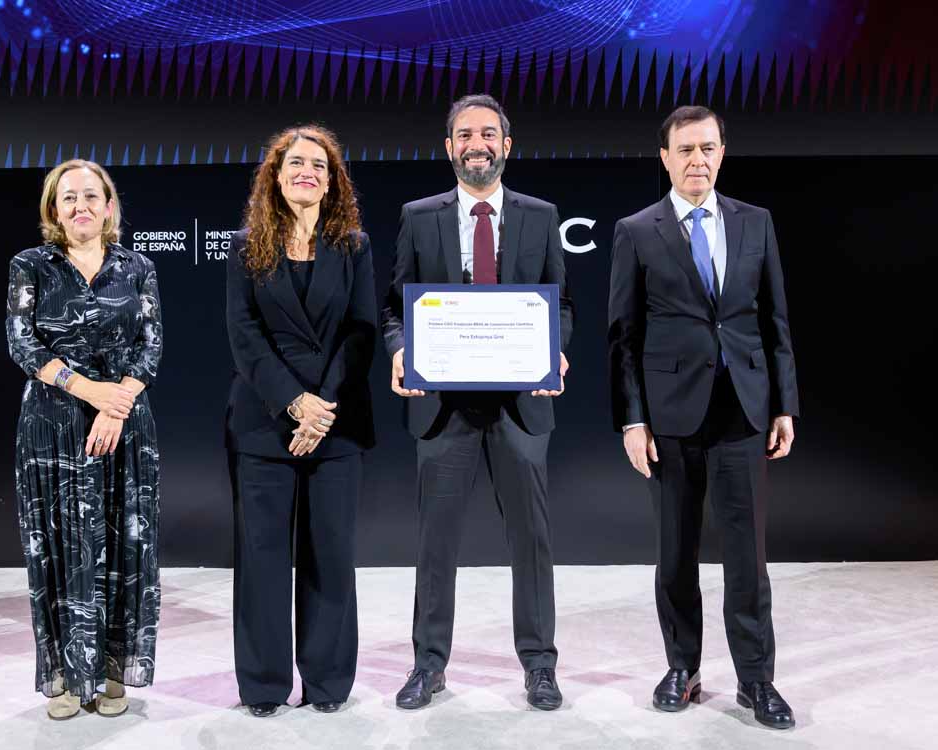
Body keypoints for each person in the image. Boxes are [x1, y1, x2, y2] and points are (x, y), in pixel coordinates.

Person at [607, 105, 800, 729]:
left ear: (722, 153)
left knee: (748, 556)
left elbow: (774, 323)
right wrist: (632, 421)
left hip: (743, 411)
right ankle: (682, 668)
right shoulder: (636, 229)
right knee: (676, 552)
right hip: (671, 417)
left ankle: (756, 681)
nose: (698, 161)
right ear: (665, 157)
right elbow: (623, 338)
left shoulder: (756, 222)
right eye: (685, 150)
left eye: (708, 149)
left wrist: (783, 404)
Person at [381, 94, 574, 711]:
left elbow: (559, 306)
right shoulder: (419, 215)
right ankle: (428, 666)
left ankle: (540, 666)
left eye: (488, 134)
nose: (477, 144)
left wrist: (555, 350)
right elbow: (394, 308)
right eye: (465, 135)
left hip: (520, 404)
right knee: (436, 544)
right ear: (449, 148)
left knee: (531, 541)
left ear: (506, 145)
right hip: (443, 407)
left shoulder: (541, 216)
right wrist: (398, 350)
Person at [225, 125, 376, 717]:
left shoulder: (354, 245)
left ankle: (327, 682)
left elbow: (362, 331)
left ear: (332, 178)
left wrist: (323, 406)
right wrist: (294, 402)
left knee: (331, 557)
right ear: (276, 174)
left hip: (336, 423)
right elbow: (244, 334)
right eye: (296, 163)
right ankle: (263, 685)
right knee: (262, 560)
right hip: (265, 424)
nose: (307, 172)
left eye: (319, 164)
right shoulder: (246, 246)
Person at [5, 159, 162, 720]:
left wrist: (115, 404)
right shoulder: (31, 266)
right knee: (61, 548)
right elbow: (22, 344)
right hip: (53, 429)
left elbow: (151, 345)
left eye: (91, 197)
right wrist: (89, 390)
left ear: (109, 206)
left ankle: (114, 671)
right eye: (68, 198)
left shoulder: (137, 266)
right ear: (54, 210)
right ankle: (70, 679)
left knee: (124, 544)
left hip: (124, 426)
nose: (81, 207)